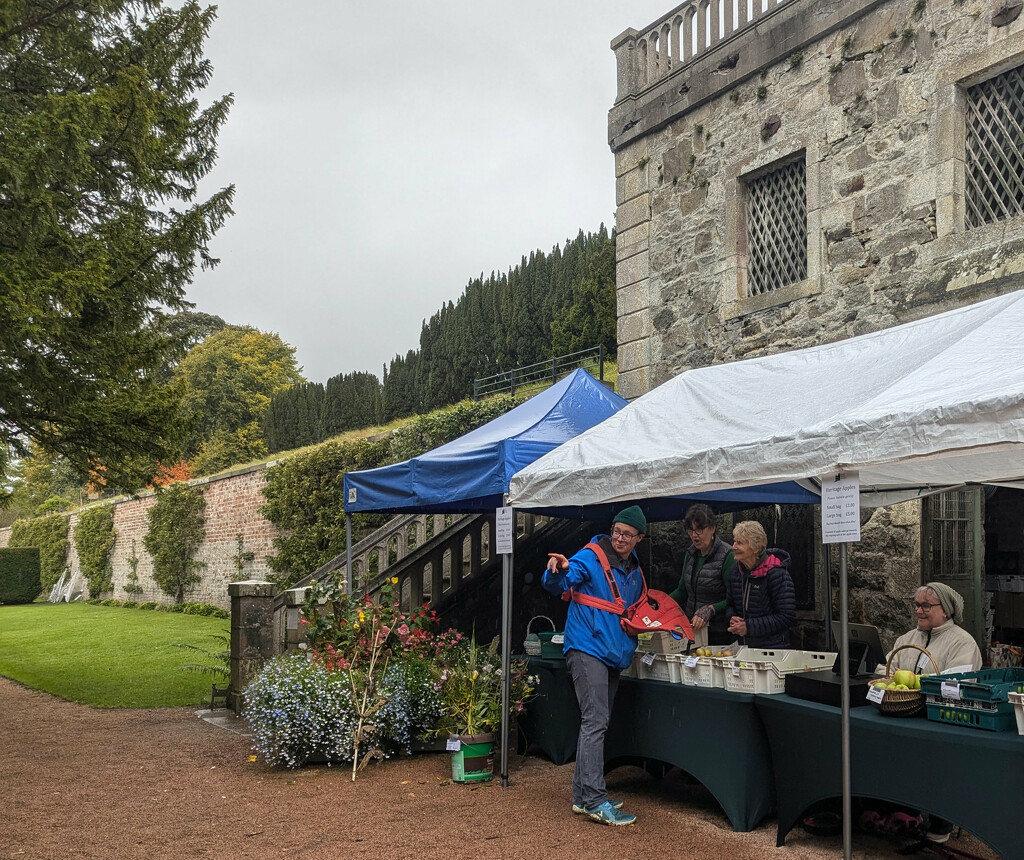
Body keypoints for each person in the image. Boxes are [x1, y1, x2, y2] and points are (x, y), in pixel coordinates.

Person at [541, 505, 647, 827]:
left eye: (627, 534)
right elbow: (561, 580)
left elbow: (636, 608)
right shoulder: (591, 555)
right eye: (616, 530)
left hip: (612, 652)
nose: (619, 537)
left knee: (595, 721)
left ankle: (582, 796)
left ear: (639, 538)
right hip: (587, 648)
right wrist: (557, 570)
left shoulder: (635, 571)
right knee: (595, 721)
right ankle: (594, 800)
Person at [876, 582, 983, 845]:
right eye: (917, 605)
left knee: (935, 760)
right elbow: (883, 670)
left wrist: (919, 682)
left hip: (942, 722)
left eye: (926, 606)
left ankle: (940, 821)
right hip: (903, 716)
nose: (919, 611)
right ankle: (903, 812)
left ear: (945, 611)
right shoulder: (907, 639)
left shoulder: (962, 643)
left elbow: (960, 684)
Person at [669, 503, 735, 646]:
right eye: (691, 530)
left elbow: (735, 597)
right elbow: (682, 591)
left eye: (699, 530)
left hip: (719, 632)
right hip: (692, 629)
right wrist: (661, 604)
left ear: (712, 528)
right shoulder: (691, 554)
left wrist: (712, 609)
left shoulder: (727, 556)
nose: (694, 536)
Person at [725, 520, 796, 648]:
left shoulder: (777, 574)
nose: (733, 547)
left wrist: (749, 627)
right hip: (743, 648)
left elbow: (786, 616)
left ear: (755, 548)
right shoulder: (735, 572)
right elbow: (730, 604)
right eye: (734, 541)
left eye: (739, 543)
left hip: (773, 649)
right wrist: (733, 617)